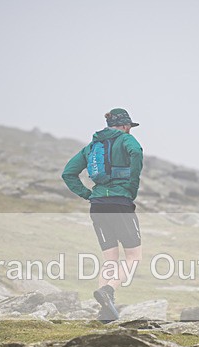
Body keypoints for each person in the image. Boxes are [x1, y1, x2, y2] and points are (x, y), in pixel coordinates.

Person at [61, 108, 144, 322]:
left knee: (110, 258)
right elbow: (136, 152)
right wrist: (131, 188)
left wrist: (87, 194)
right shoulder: (126, 140)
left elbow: (68, 172)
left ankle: (105, 311)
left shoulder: (92, 146)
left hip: (97, 205)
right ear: (126, 126)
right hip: (120, 203)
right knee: (134, 257)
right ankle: (108, 290)